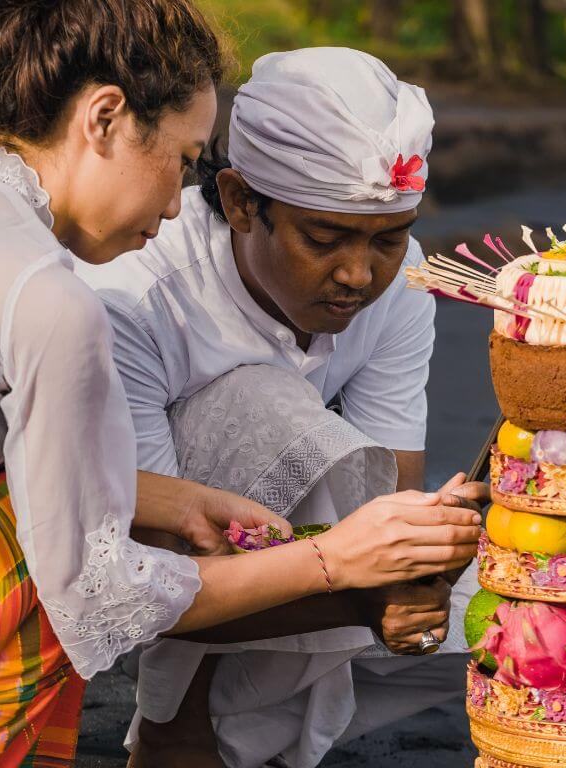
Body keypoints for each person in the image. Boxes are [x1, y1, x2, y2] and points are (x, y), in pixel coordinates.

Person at [0, 5, 479, 766]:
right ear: (105, 120)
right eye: (183, 163)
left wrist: (174, 499)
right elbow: (102, 596)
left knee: (45, 506)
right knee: (60, 563)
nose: (183, 202)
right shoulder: (55, 299)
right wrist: (335, 562)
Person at [78, 48, 480, 767]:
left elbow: (393, 491)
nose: (359, 275)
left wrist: (401, 576)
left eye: (388, 239)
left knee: (530, 604)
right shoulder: (134, 298)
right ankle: (181, 723)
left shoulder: (402, 284)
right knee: (259, 401)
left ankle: (233, 736)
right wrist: (359, 588)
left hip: (302, 570)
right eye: (323, 239)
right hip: (115, 582)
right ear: (239, 202)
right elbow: (147, 578)